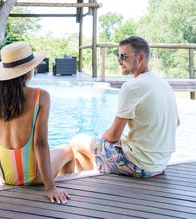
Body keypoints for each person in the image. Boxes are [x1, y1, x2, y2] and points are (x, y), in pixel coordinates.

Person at [0, 41, 74, 204]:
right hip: (33, 177)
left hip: (6, 177)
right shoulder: (40, 96)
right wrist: (50, 187)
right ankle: (59, 188)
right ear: (27, 71)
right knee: (69, 151)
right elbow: (40, 143)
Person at [71, 36, 179, 178]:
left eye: (123, 56)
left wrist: (100, 140)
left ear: (140, 58)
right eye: (118, 56)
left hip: (140, 164)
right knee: (88, 155)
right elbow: (176, 122)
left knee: (78, 141)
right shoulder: (163, 84)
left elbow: (113, 135)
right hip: (160, 164)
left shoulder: (132, 87)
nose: (119, 60)